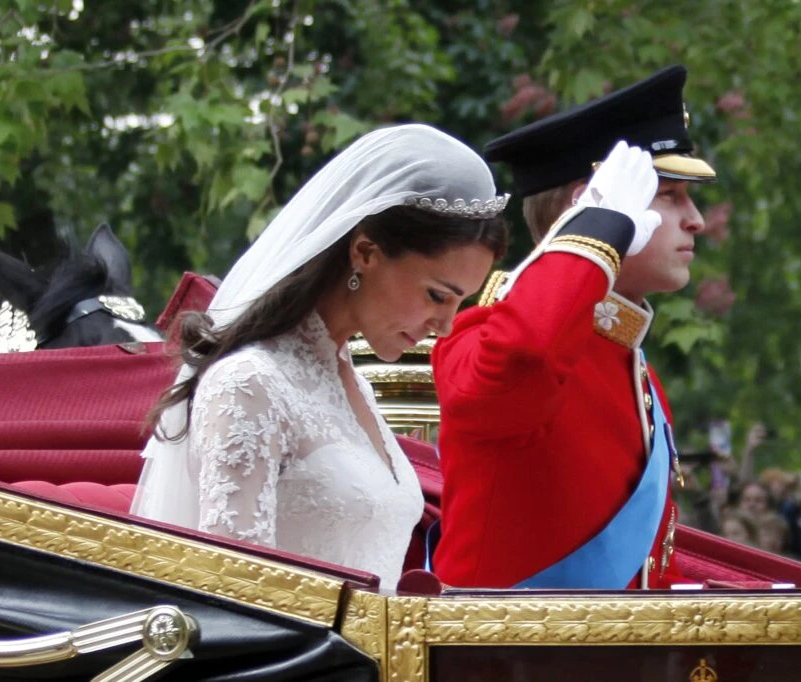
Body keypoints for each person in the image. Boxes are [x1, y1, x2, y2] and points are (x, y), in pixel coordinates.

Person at [131, 124, 510, 589]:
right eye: (436, 295)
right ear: (366, 253)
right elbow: (236, 596)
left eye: (459, 303)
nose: (446, 326)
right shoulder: (250, 384)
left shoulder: (353, 385)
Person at [430, 64, 715, 589]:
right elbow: (525, 357)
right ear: (592, 203)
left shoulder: (635, 370)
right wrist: (595, 234)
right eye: (670, 195)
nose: (695, 219)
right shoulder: (481, 334)